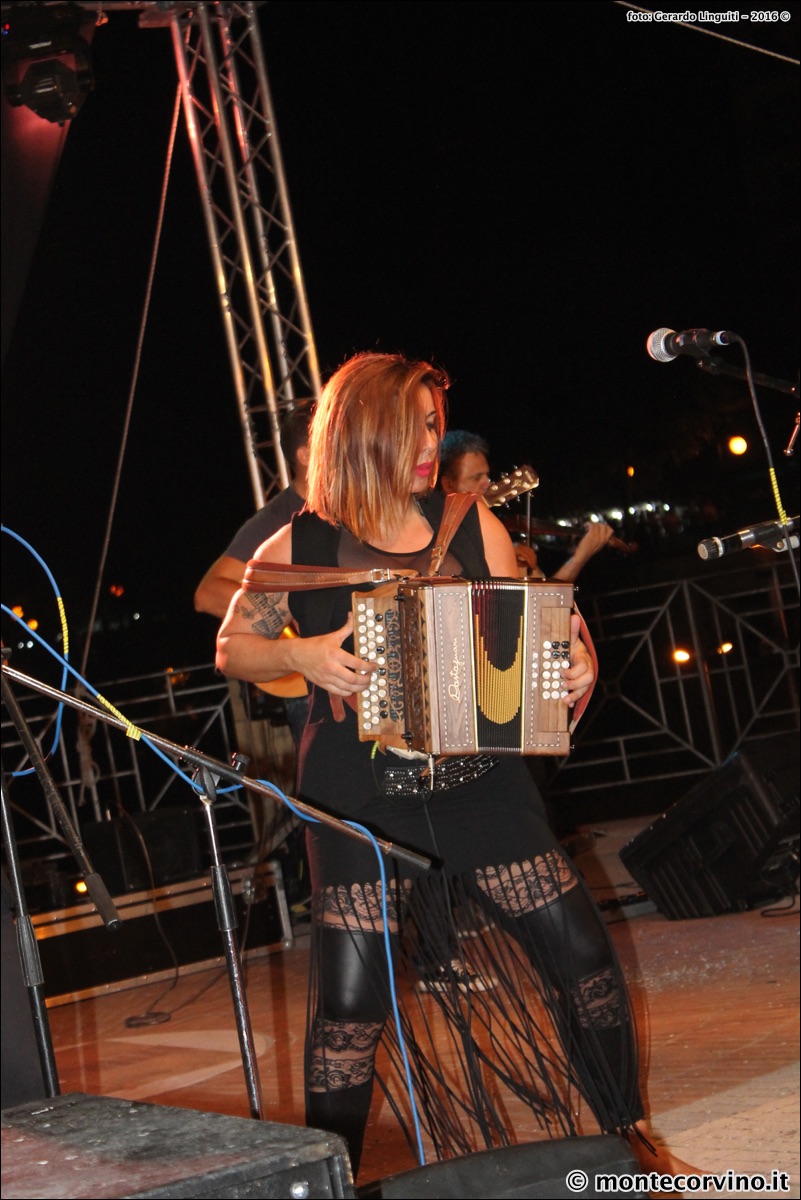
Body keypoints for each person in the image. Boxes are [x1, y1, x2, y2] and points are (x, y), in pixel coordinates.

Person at [216, 352, 647, 1177]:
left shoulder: (466, 522)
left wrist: (571, 662)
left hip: (481, 782)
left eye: (431, 424)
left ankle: (625, 1144)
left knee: (583, 960)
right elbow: (231, 645)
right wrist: (303, 654)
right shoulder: (299, 540)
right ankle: (330, 1183)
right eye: (413, 427)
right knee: (349, 1011)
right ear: (361, 431)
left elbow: (531, 630)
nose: (430, 444)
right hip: (358, 796)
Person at [195, 406, 312, 748]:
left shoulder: (359, 502)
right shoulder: (274, 519)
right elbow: (207, 594)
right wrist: (287, 626)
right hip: (310, 688)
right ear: (305, 455)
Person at [439, 428, 615, 583]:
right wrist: (579, 558)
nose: (487, 483)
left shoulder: (493, 533)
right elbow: (544, 604)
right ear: (448, 485)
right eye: (476, 478)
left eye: (487, 475)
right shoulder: (437, 541)